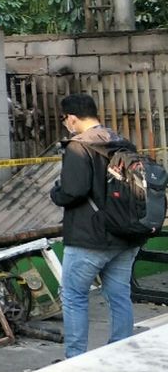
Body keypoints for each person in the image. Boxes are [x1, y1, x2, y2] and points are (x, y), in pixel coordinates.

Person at [49, 92, 142, 358]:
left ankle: (75, 360)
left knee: (74, 297)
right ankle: (120, 354)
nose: (65, 123)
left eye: (64, 118)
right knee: (119, 296)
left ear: (73, 118)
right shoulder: (122, 142)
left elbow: (73, 191)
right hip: (125, 234)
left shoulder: (79, 146)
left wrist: (56, 193)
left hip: (90, 237)